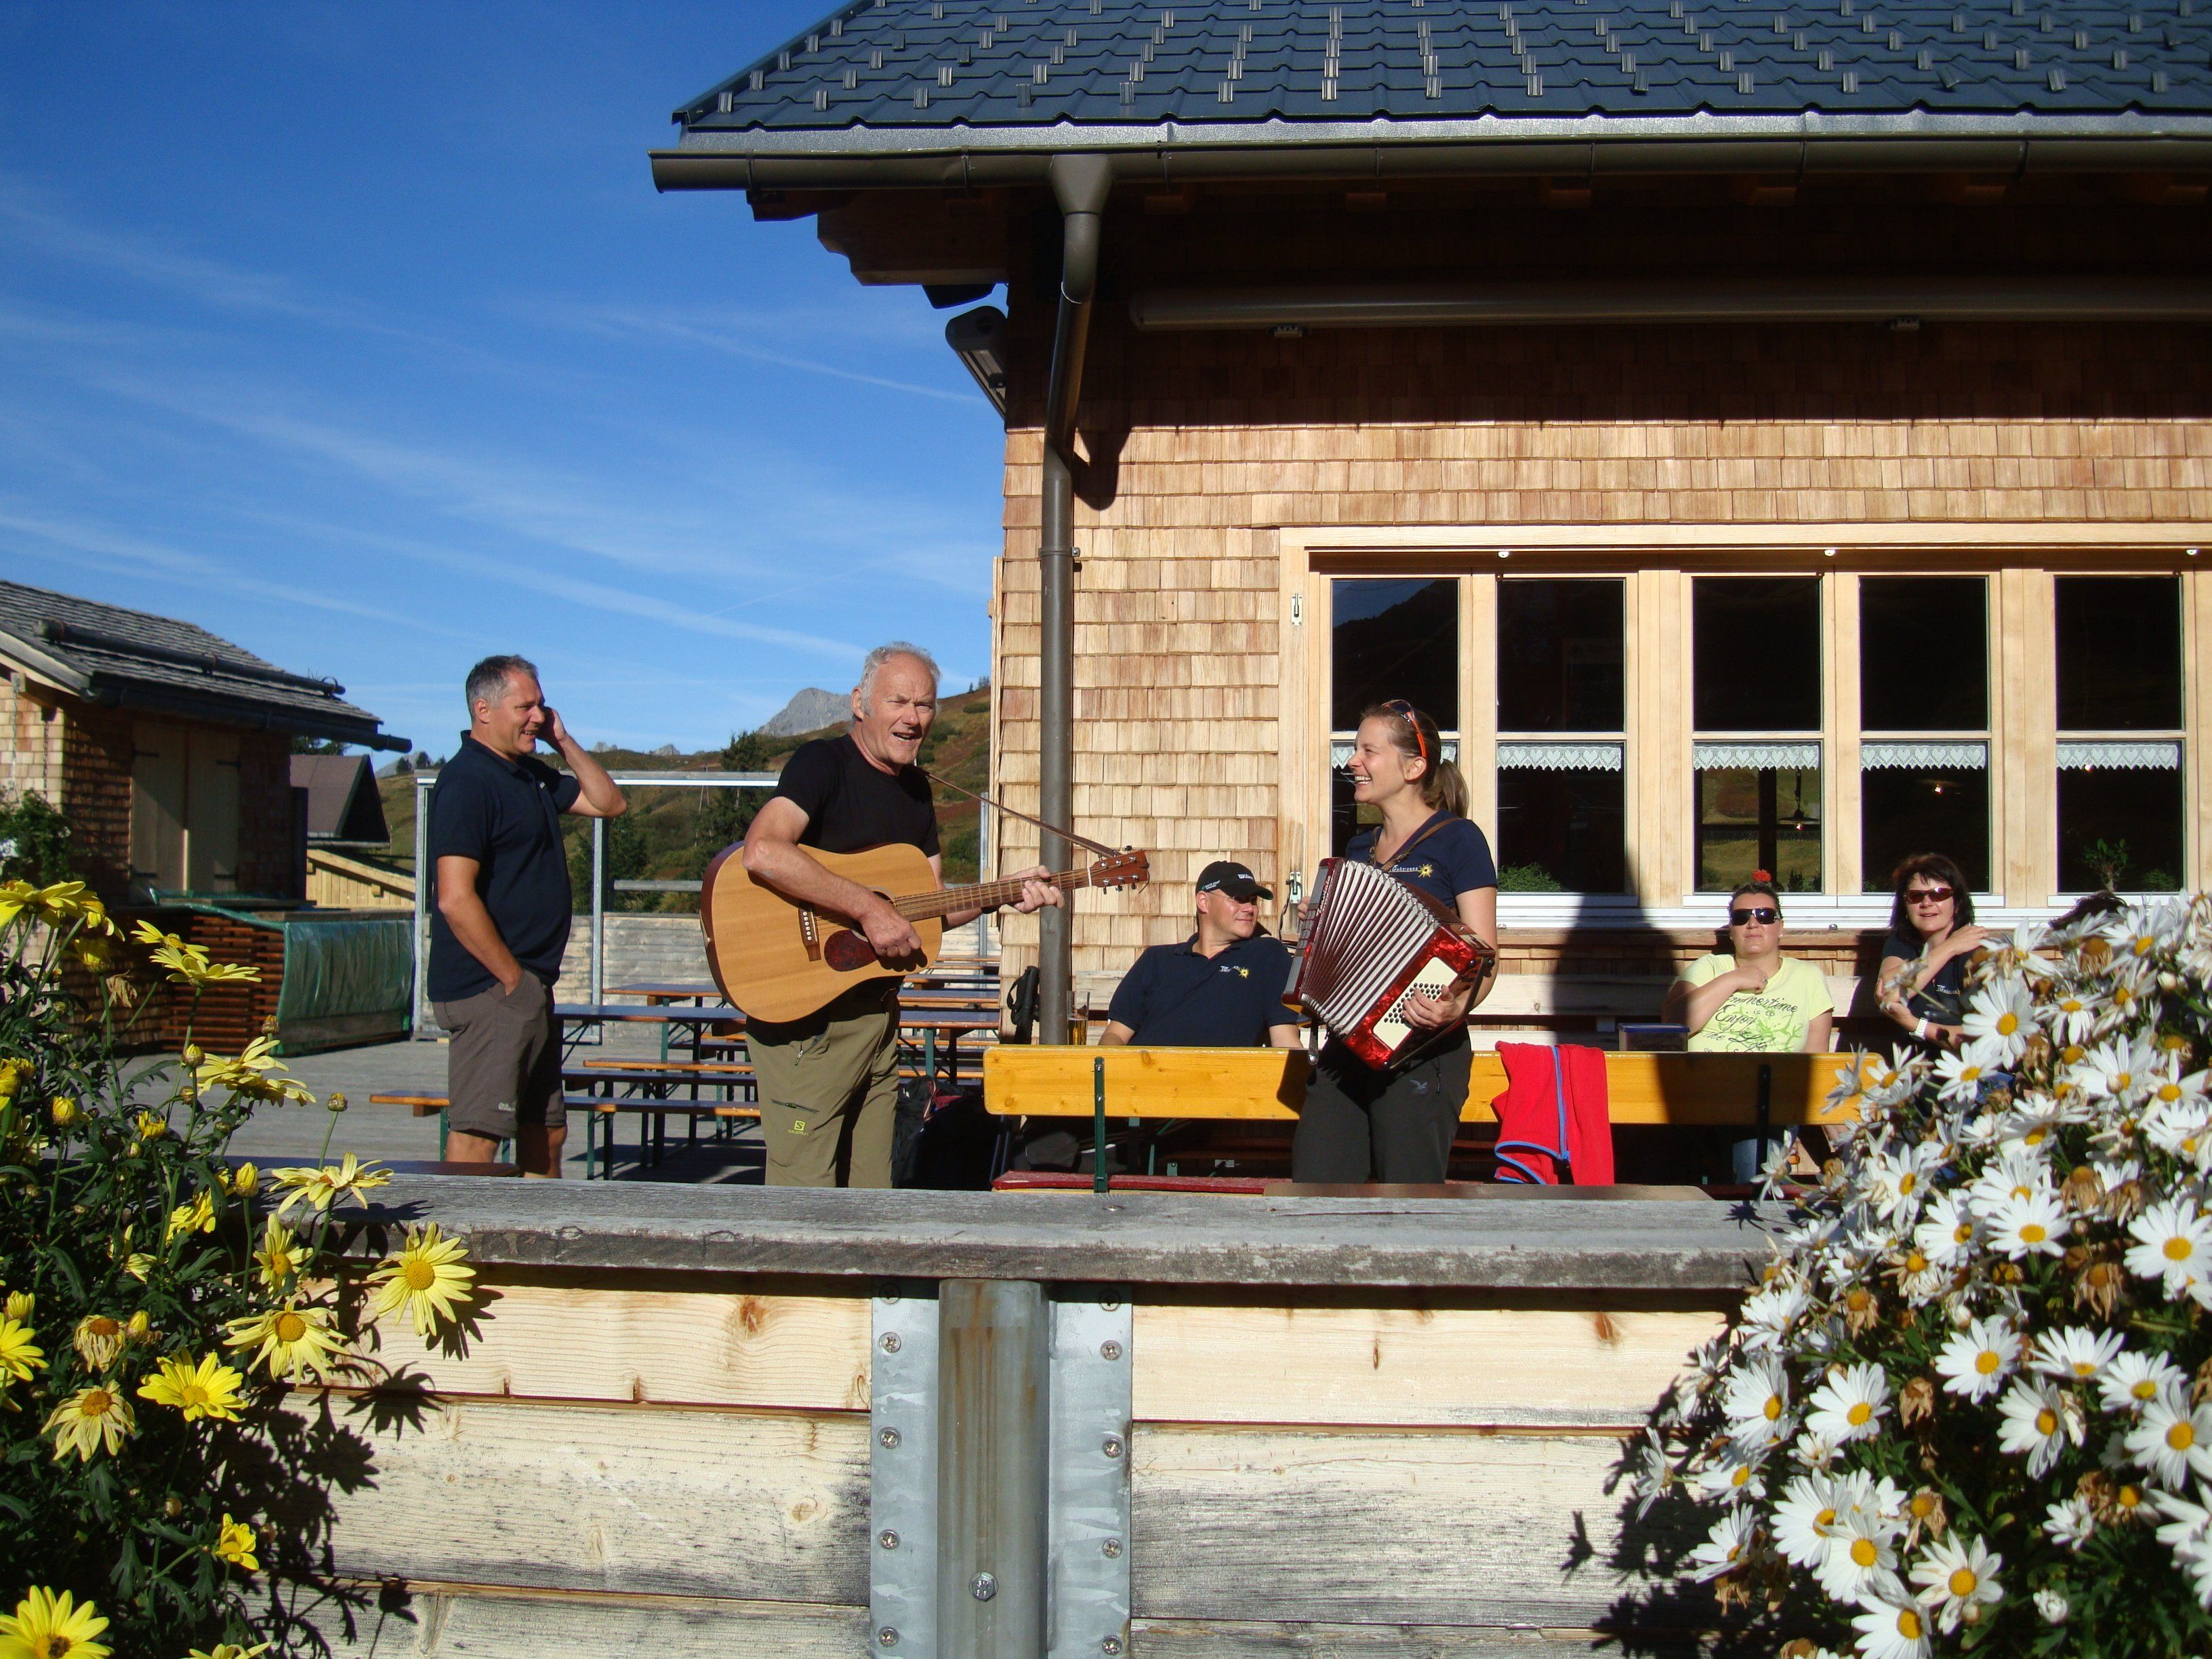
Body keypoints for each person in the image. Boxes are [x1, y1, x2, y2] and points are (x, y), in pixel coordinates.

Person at [739, 642, 1060, 1188]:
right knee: (804, 1196)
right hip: (807, 1024)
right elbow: (763, 851)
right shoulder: (822, 764)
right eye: (899, 702)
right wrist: (868, 908)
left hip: (878, 1020)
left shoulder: (916, 792)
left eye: (925, 705)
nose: (913, 718)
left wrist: (1002, 894)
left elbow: (928, 908)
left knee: (873, 1193)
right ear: (860, 703)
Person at [429, 655, 628, 1176]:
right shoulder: (468, 781)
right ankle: (463, 1230)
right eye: (525, 707)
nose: (537, 716)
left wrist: (564, 741)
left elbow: (609, 804)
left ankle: (538, 1231)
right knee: (479, 1138)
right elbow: (454, 898)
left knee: (547, 1131)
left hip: (529, 987)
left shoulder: (529, 774)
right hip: (492, 988)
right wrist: (513, 981)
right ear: (483, 710)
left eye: (541, 705)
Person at [1290, 700, 1498, 1184]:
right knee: (1316, 1188)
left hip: (1422, 1049)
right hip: (1348, 1045)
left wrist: (1456, 1007)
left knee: (1409, 1198)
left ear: (1413, 767)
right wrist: (1320, 926)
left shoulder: (1459, 840)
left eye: (1369, 751)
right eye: (1354, 750)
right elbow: (1354, 955)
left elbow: (1485, 956)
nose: (1352, 762)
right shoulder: (1359, 848)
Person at [1662, 876, 1835, 1183]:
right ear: (1731, 929)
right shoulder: (1709, 968)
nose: (1753, 924)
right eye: (1741, 917)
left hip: (1768, 1108)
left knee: (1756, 1164)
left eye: (1765, 916)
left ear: (1781, 927)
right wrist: (1733, 980)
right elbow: (1675, 1023)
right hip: (1696, 1101)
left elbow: (1814, 1066)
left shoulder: (1807, 977)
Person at [1101, 860, 1301, 1048]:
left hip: (1221, 1073)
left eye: (1253, 900)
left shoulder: (1267, 956)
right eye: (1238, 899)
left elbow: (1286, 1041)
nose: (1249, 908)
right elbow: (1115, 1035)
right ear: (1203, 902)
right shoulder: (1157, 960)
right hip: (1145, 1070)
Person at [1875, 853, 1984, 1051]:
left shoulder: (1973, 954)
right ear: (1905, 906)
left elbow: (1979, 1041)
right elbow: (1888, 994)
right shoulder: (1902, 943)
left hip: (1964, 1066)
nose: (1926, 903)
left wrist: (1916, 1026)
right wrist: (1948, 948)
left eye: (1939, 894)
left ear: (1957, 904)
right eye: (1916, 896)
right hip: (1912, 1066)